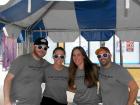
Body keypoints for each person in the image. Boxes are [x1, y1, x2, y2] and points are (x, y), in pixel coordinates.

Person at [3, 37, 50, 105]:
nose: (42, 50)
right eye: (40, 47)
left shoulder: (45, 63)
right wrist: (6, 100)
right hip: (18, 102)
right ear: (34, 47)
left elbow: (57, 70)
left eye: (45, 48)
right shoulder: (21, 60)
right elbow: (8, 79)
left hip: (36, 102)